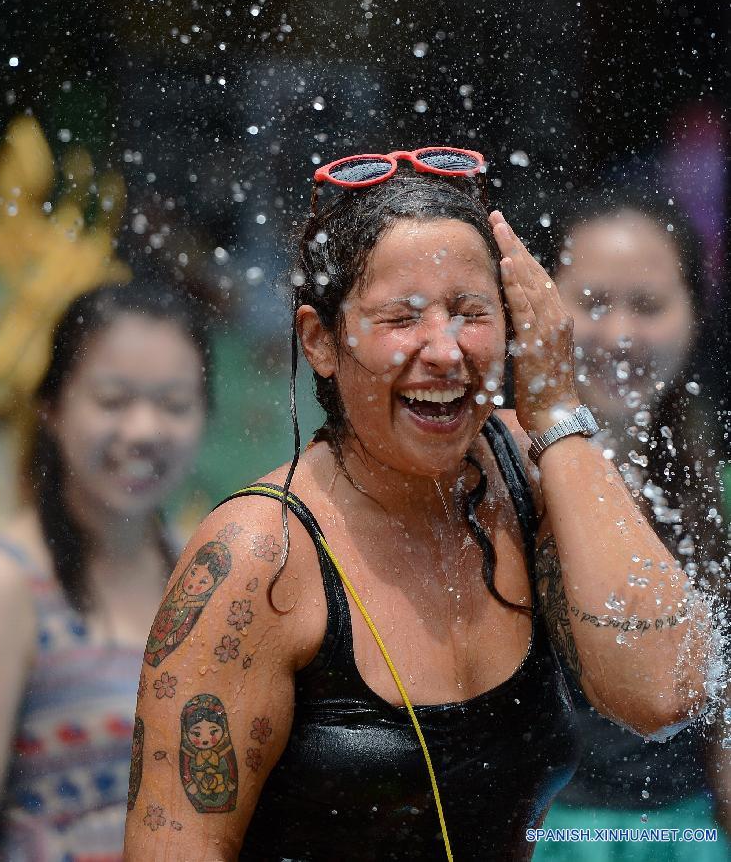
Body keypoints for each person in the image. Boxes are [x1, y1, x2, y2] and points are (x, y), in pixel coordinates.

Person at [124, 149, 711, 862]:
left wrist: (557, 405)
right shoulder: (255, 560)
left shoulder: (531, 472)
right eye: (401, 318)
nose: (444, 350)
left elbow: (664, 694)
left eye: (472, 312)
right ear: (320, 341)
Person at [531, 189, 730, 860]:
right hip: (536, 837)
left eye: (647, 307)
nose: (619, 335)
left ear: (694, 315)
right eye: (590, 304)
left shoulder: (721, 495)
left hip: (689, 838)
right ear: (538, 308)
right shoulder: (492, 481)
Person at [0, 281, 211, 861]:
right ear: (52, 408)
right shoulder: (4, 585)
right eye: (112, 400)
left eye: (174, 404)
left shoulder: (208, 582)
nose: (143, 431)